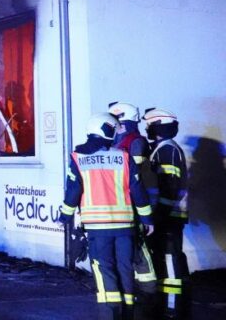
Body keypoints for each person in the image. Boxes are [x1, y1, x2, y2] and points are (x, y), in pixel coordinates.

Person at [60, 112, 154, 320]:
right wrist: (147, 220)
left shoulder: (78, 158)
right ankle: (128, 313)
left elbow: (73, 191)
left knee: (104, 270)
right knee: (125, 269)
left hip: (98, 228)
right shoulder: (124, 157)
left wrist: (64, 217)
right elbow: (138, 190)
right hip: (125, 227)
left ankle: (110, 314)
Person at [143, 108, 190, 319]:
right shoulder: (162, 149)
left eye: (149, 126)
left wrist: (159, 215)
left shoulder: (167, 150)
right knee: (165, 258)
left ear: (158, 127)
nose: (147, 129)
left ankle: (172, 308)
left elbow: (170, 186)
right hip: (166, 214)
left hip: (169, 216)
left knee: (170, 260)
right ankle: (167, 304)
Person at [109, 102, 159, 299]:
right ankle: (132, 291)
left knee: (139, 250)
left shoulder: (136, 142)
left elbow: (134, 179)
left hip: (135, 205)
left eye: (118, 123)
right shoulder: (117, 142)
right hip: (123, 205)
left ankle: (148, 293)